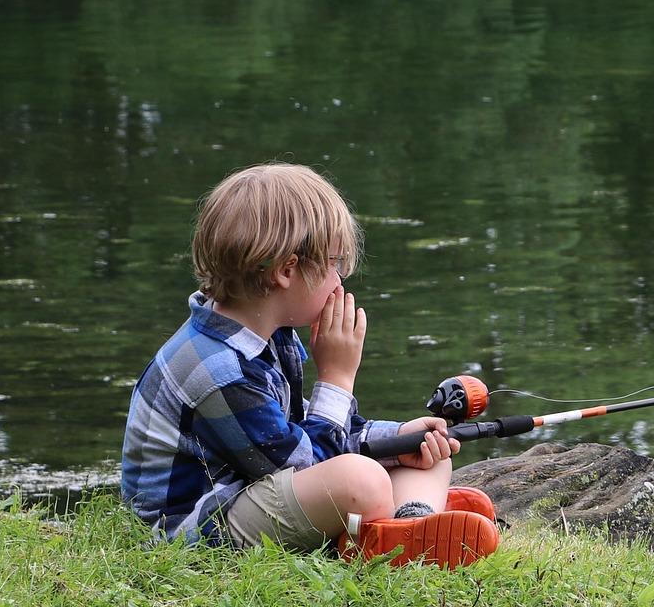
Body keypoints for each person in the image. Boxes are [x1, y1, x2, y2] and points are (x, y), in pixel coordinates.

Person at [119, 163, 498, 567]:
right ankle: (402, 520)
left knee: (427, 448)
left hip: (259, 482)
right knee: (360, 480)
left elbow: (307, 436)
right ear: (286, 270)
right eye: (334, 264)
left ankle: (409, 523)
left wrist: (399, 437)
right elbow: (303, 463)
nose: (340, 282)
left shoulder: (269, 335)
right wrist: (337, 377)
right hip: (197, 526)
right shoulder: (218, 369)